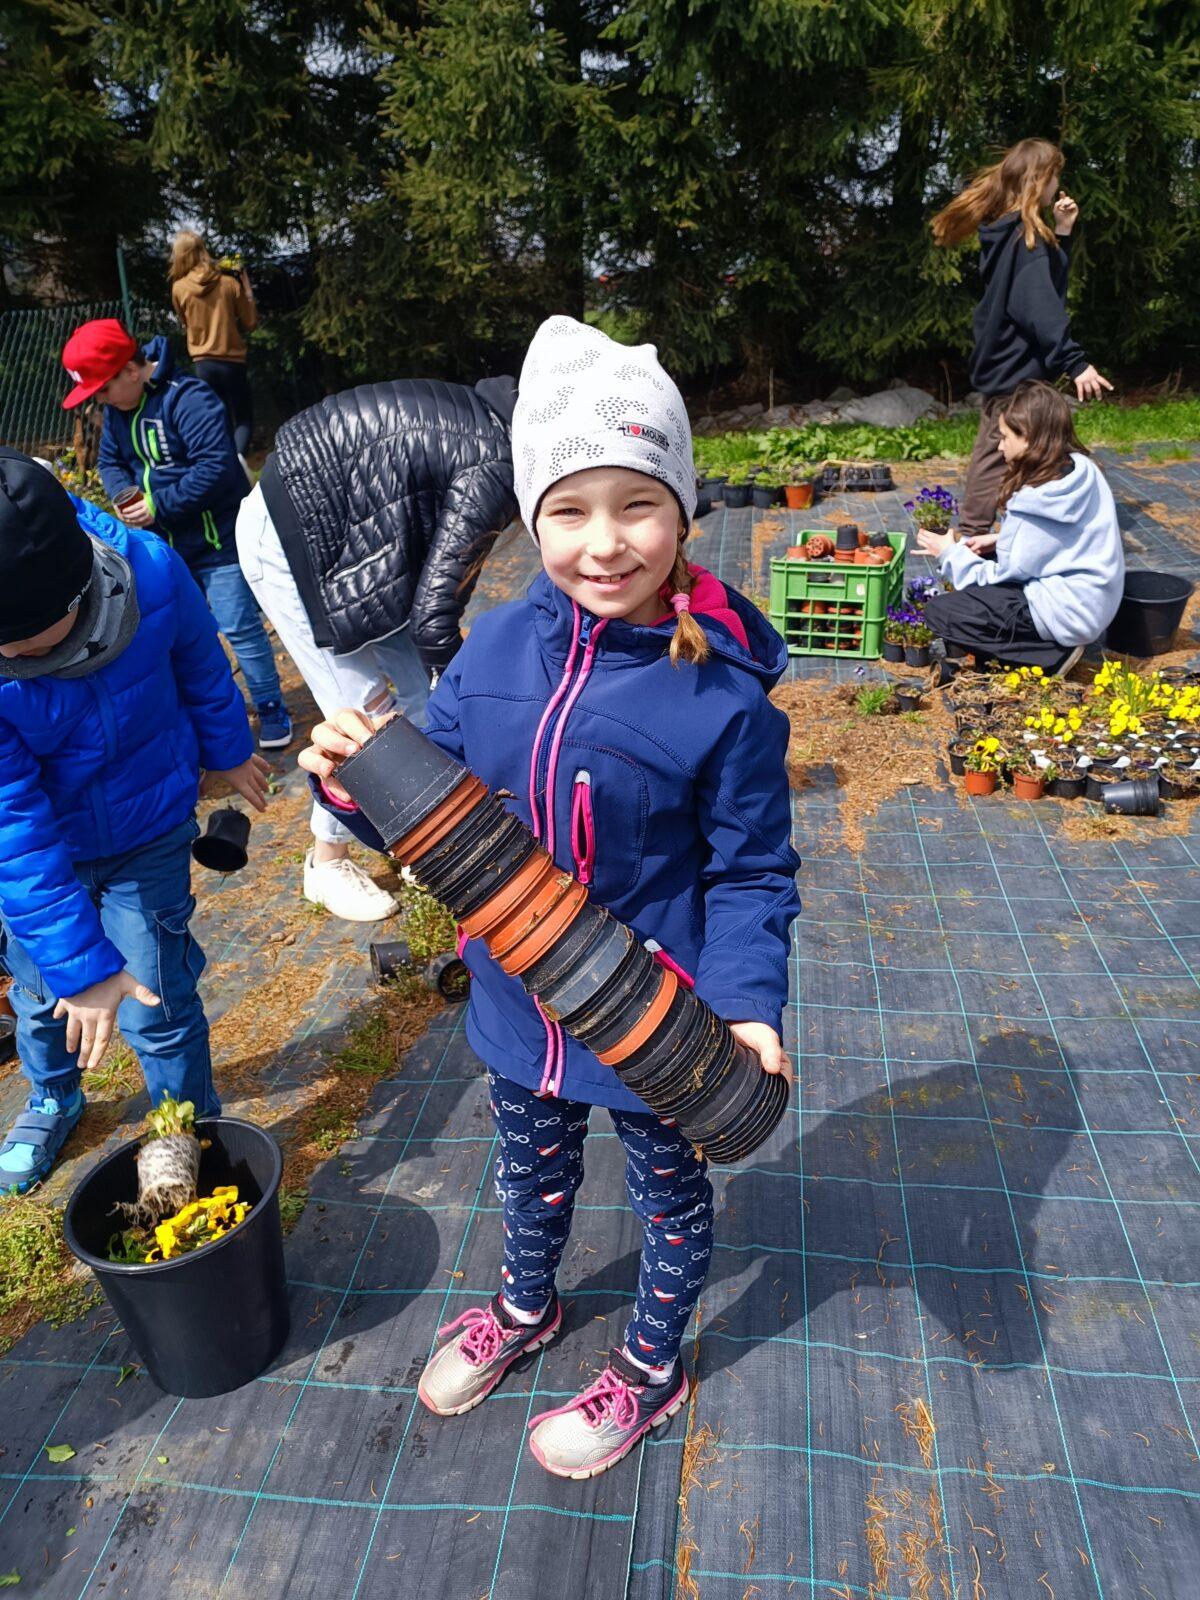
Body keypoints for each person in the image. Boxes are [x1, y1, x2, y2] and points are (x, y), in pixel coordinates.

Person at [298, 315, 800, 1477]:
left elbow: (750, 871)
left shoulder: (720, 693)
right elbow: (436, 796)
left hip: (653, 1024)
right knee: (529, 1175)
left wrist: (747, 1005)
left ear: (684, 509)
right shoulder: (494, 651)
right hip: (519, 1007)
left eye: (639, 503)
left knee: (672, 1199)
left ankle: (651, 1360)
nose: (606, 542)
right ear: (531, 518)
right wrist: (355, 780)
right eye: (570, 510)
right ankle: (529, 1308)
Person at [0, 450, 269, 1192]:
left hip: (148, 830)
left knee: (158, 993)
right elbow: (11, 822)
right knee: (41, 988)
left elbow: (201, 664)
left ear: (81, 585)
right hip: (45, 854)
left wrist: (230, 750)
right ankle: (54, 1096)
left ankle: (181, 1125)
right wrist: (81, 969)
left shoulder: (149, 568)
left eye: (26, 637)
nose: (13, 653)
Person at [236, 373, 518, 921]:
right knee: (361, 714)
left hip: (358, 545)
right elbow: (438, 612)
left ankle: (424, 832)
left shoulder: (490, 423)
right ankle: (327, 860)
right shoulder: (497, 464)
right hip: (292, 539)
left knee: (418, 691)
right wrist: (467, 717)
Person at [61, 317, 293, 751]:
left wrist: (157, 506)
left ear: (131, 369)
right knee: (184, 632)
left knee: (239, 627)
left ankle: (271, 707)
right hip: (164, 549)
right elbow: (110, 462)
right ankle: (207, 716)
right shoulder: (116, 412)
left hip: (218, 540)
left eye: (103, 390)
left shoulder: (189, 399)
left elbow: (217, 468)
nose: (100, 402)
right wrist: (121, 495)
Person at [932, 137, 1113, 543]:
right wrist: (1076, 361)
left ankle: (1032, 525)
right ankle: (974, 538)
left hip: (1010, 364)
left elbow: (1045, 291)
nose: (1057, 186)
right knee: (998, 450)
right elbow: (1041, 309)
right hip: (1015, 368)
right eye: (1055, 177)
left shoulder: (1013, 233)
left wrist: (1064, 232)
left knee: (1039, 444)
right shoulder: (1023, 241)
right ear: (1040, 181)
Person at [917, 379, 1124, 672]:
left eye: (1004, 437)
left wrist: (949, 553)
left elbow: (999, 578)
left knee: (942, 612)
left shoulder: (1036, 500)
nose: (1000, 446)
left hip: (1066, 615)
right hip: (1094, 601)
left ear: (1027, 437)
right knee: (982, 554)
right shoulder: (1082, 469)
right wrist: (996, 540)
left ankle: (1049, 656)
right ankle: (1049, 643)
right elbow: (1054, 542)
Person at [168, 230, 258, 461]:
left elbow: (184, 322)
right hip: (233, 361)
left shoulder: (179, 289)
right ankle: (239, 460)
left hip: (203, 363)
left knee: (218, 418)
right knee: (244, 419)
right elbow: (250, 323)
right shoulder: (229, 283)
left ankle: (226, 465)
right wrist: (246, 289)